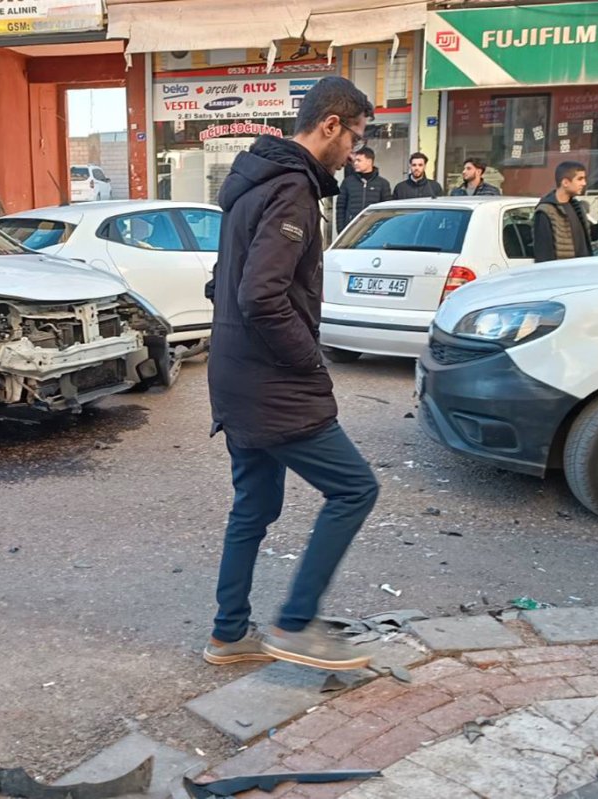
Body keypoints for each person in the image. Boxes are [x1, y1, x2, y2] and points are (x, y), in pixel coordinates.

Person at [203, 76, 380, 672]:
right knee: (355, 487)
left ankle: (229, 635)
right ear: (330, 125)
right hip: (272, 381)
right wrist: (309, 362)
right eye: (353, 137)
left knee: (253, 505)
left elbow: (221, 283)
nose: (353, 152)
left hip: (234, 373)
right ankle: (295, 624)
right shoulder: (292, 193)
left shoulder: (252, 184)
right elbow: (261, 295)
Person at [532, 161, 598, 262]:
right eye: (580, 179)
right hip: (562, 273)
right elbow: (544, 253)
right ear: (565, 183)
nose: (584, 183)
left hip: (582, 270)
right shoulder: (546, 211)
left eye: (584, 179)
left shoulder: (576, 206)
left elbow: (589, 236)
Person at [336, 146, 391, 232]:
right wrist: (341, 230)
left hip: (374, 231)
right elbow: (340, 208)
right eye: (355, 161)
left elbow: (387, 210)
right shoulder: (348, 182)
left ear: (369, 162)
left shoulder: (382, 184)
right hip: (351, 231)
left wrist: (383, 230)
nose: (355, 163)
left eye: (359, 160)